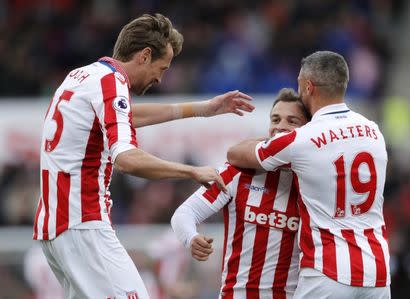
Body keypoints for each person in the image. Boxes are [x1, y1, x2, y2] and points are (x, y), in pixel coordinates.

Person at [33, 13, 253, 299]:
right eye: (162, 67)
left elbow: (126, 115)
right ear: (145, 55)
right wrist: (192, 171)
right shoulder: (111, 83)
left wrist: (202, 108)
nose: (160, 79)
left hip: (56, 228)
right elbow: (127, 159)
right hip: (83, 224)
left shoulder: (82, 76)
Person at [228, 51, 390, 299]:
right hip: (377, 272)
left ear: (308, 86)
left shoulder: (301, 139)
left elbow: (236, 155)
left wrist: (276, 138)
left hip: (328, 271)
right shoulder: (374, 131)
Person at [171, 88, 310, 299]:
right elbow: (184, 214)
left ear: (307, 129)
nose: (280, 126)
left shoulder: (314, 183)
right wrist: (191, 238)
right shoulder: (238, 172)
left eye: (292, 121)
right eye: (275, 119)